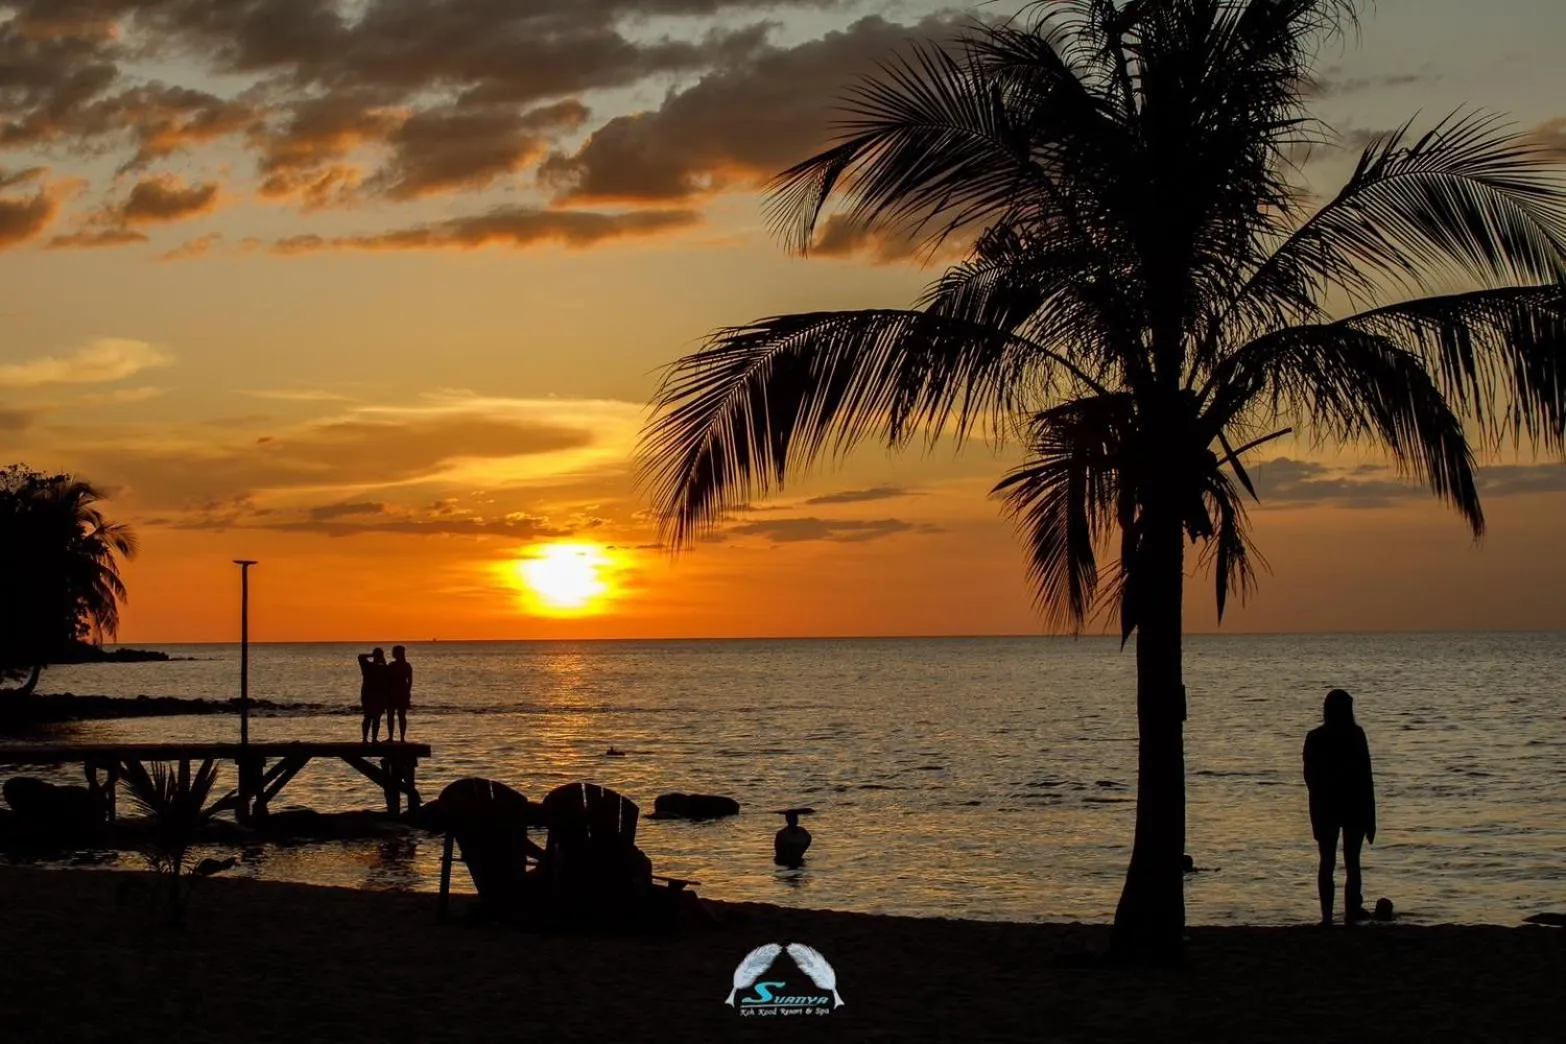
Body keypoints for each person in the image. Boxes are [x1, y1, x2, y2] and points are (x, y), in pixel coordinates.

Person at [1303, 688, 1377, 926]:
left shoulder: (1315, 738)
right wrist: (1370, 818)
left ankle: (1327, 918)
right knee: (1351, 862)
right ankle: (1350, 916)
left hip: (1327, 806)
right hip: (1352, 805)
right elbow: (1366, 778)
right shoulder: (1355, 735)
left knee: (1328, 861)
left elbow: (1310, 779)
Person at [357, 647, 387, 743]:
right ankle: (367, 739)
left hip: (376, 694)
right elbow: (360, 657)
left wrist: (374, 656)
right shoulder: (368, 666)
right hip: (370, 694)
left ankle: (371, 738)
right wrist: (373, 656)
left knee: (373, 717)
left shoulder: (380, 667)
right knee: (370, 717)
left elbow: (361, 657)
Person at [386, 644, 413, 742]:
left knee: (394, 715)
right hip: (400, 692)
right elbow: (410, 681)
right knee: (399, 715)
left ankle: (394, 737)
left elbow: (409, 680)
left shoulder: (393, 665)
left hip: (395, 692)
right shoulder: (406, 665)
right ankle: (400, 738)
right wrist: (408, 692)